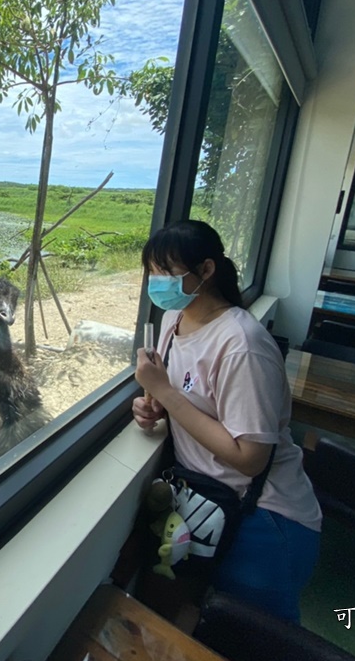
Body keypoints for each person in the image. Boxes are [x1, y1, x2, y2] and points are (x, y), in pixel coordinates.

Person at [132, 219, 321, 624]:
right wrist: (154, 407)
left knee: (255, 634)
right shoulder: (174, 321)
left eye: (167, 272)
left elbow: (249, 457)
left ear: (206, 270)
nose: (157, 282)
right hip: (206, 500)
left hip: (264, 518)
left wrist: (164, 392)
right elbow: (193, 400)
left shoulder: (242, 345)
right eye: (152, 272)